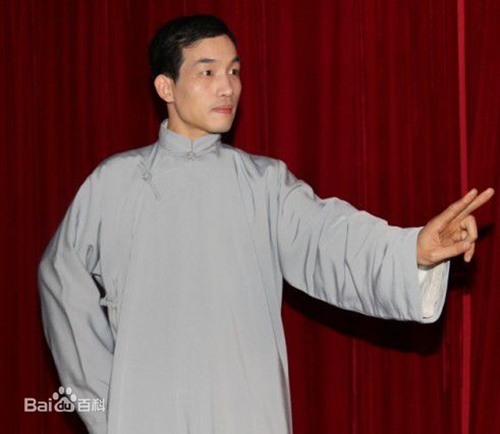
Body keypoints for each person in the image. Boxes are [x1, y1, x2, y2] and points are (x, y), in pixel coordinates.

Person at [37, 14, 494, 434]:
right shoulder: (114, 183)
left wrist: (412, 251)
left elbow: (330, 239)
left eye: (234, 71)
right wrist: (105, 404)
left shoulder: (265, 184)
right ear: (166, 87)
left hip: (245, 409)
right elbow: (61, 280)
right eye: (208, 72)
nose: (227, 88)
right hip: (147, 413)